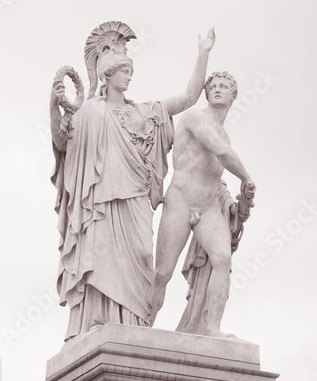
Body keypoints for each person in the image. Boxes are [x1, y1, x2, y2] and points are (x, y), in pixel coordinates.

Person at [49, 21, 215, 340]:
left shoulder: (146, 112)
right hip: (100, 204)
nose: (129, 76)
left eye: (130, 71)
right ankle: (97, 322)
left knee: (142, 260)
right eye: (124, 70)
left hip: (137, 204)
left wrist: (203, 52)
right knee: (100, 260)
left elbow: (189, 96)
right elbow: (62, 143)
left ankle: (133, 327)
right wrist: (52, 105)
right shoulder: (89, 113)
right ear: (108, 75)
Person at [153, 71, 256, 336]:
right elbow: (220, 152)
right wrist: (245, 177)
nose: (218, 89)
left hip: (207, 206)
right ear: (207, 93)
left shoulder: (227, 136)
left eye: (225, 87)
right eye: (213, 86)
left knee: (222, 259)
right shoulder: (194, 117)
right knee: (163, 273)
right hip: (180, 201)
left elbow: (216, 181)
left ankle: (212, 329)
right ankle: (142, 326)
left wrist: (239, 201)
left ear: (233, 97)